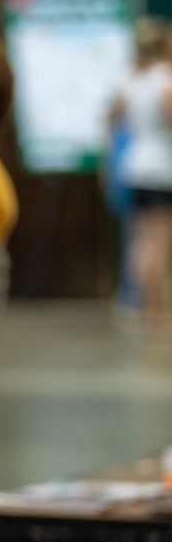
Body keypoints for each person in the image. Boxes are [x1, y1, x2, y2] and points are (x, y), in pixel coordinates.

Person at [111, 17, 172, 329]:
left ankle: (140, 303)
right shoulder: (164, 78)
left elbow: (114, 119)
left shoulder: (128, 77)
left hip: (133, 166)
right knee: (159, 242)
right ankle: (157, 311)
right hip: (161, 168)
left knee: (140, 240)